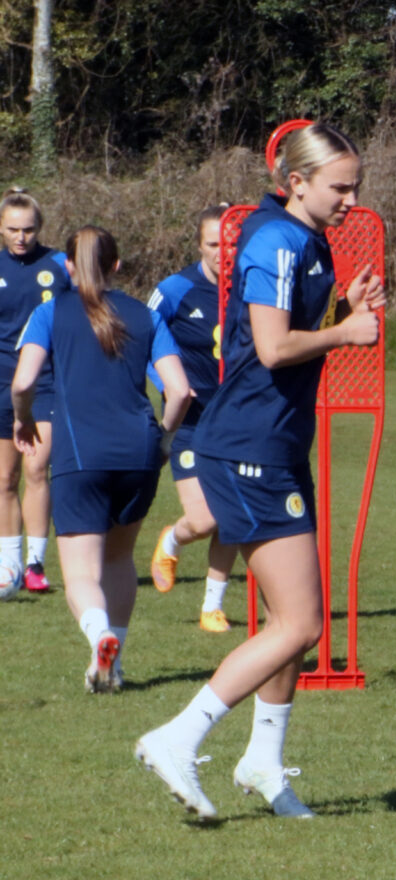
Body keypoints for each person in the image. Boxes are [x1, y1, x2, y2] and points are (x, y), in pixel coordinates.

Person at [133, 124, 385, 822]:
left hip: (273, 446)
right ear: (296, 181)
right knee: (301, 623)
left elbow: (268, 338)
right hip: (247, 447)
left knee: (287, 620)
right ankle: (177, 736)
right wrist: (344, 332)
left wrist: (342, 310)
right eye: (340, 186)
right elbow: (272, 349)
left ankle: (264, 764)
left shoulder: (306, 239)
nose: (352, 198)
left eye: (356, 185)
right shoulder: (276, 240)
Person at [10, 226, 191, 690]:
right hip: (139, 452)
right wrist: (165, 440)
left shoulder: (50, 312)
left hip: (80, 453)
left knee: (80, 572)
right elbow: (180, 391)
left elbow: (24, 382)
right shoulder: (145, 316)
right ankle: (115, 663)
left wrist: (22, 419)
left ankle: (99, 635)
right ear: (116, 266)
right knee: (118, 559)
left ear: (66, 267)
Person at [147, 205, 244, 628]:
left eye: (232, 244)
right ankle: (171, 538)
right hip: (191, 420)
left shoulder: (253, 285)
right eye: (214, 244)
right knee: (206, 518)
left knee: (233, 516)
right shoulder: (175, 289)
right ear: (199, 244)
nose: (224, 253)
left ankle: (211, 606)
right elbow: (142, 338)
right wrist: (166, 383)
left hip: (239, 421)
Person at [0, 190, 71, 598]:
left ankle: (35, 563)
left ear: (39, 228)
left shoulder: (60, 264)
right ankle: (9, 562)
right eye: (13, 230)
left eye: (28, 230)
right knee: (6, 477)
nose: (21, 237)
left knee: (35, 469)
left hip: (45, 381)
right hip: (1, 386)